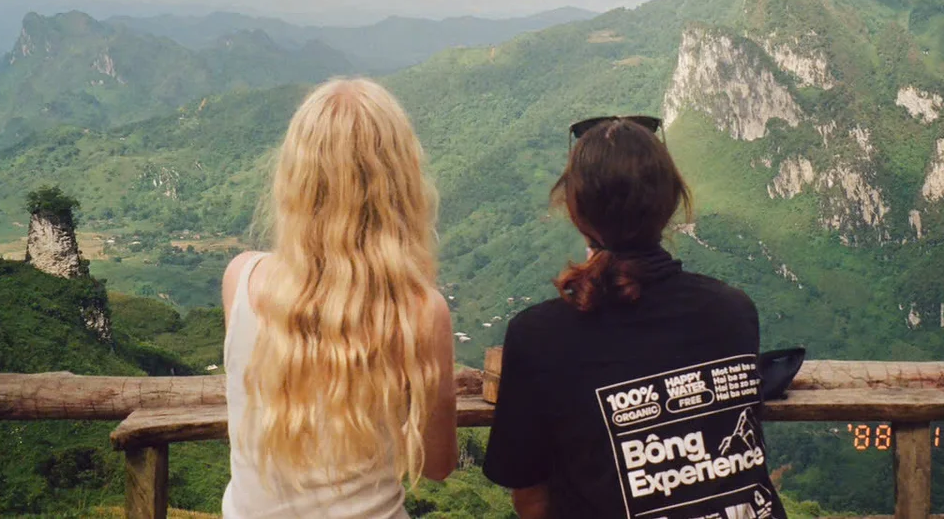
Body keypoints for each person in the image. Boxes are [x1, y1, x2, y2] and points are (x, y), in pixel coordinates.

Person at [483, 116, 787, 519]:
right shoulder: (733, 311)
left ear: (576, 211)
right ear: (671, 202)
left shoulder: (539, 336)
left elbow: (530, 497)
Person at [220, 78, 458, 518]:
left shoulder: (241, 279)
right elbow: (440, 465)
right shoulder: (421, 312)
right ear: (398, 182)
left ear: (297, 178)